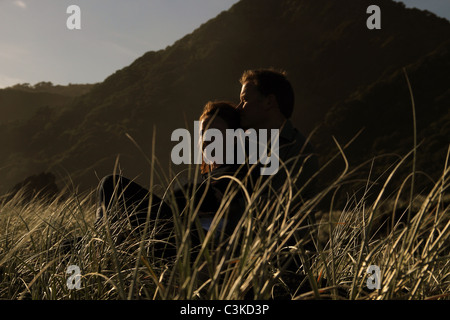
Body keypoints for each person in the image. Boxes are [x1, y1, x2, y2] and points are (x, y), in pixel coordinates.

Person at [94, 101, 246, 259]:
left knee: (111, 183)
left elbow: (223, 196)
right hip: (177, 234)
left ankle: (101, 245)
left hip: (193, 243)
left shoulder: (238, 169)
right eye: (203, 133)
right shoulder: (209, 175)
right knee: (71, 245)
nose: (207, 138)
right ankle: (102, 244)